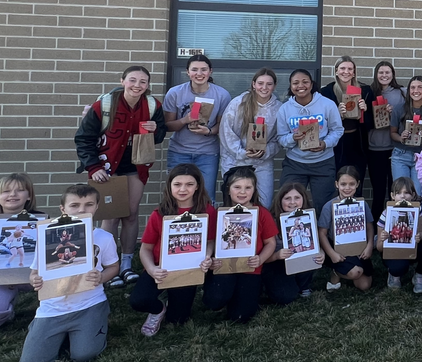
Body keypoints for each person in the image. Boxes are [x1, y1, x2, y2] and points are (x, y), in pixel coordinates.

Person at [74, 65, 167, 287]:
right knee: (111, 215)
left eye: (143, 81)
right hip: (107, 165)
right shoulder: (105, 104)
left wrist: (156, 129)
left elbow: (160, 135)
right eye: (132, 80)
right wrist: (93, 167)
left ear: (148, 85)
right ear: (122, 80)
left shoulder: (152, 105)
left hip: (136, 165)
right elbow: (84, 138)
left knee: (131, 213)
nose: (137, 85)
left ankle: (126, 264)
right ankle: (108, 265)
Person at [20, 185, 118, 362]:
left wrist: (102, 277)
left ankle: (80, 333)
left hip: (90, 304)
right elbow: (34, 272)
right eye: (74, 205)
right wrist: (34, 280)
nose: (81, 210)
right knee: (32, 359)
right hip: (52, 308)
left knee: (84, 354)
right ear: (63, 209)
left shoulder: (104, 237)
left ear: (97, 207)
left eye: (89, 204)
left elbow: (113, 267)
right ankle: (50, 333)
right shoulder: (47, 236)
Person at [131, 164, 216, 336]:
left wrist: (207, 256)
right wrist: (152, 269)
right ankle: (158, 309)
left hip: (188, 269)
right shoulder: (159, 213)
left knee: (177, 320)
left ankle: (174, 302)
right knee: (138, 301)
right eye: (177, 184)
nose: (183, 189)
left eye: (189, 184)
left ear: (197, 186)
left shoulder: (207, 211)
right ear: (170, 186)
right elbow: (145, 248)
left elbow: (210, 241)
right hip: (161, 267)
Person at [203, 167, 277, 323]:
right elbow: (212, 241)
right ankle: (224, 294)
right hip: (224, 266)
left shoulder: (262, 213)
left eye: (248, 187)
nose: (242, 192)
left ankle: (248, 294)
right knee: (214, 301)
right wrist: (212, 259)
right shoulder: (219, 213)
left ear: (254, 190)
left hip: (251, 268)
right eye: (237, 187)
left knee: (241, 317)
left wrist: (260, 259)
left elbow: (271, 242)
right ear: (228, 189)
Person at [162, 54, 232, 203]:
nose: (199, 74)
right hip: (179, 152)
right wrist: (185, 120)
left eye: (203, 69)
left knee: (206, 198)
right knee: (176, 198)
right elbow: (167, 126)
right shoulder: (175, 93)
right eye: (194, 69)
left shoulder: (222, 95)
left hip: (208, 153)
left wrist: (209, 131)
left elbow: (222, 126)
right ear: (187, 72)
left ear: (210, 71)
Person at [276, 69, 344, 216]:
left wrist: (325, 143)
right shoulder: (285, 109)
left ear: (312, 84)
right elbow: (281, 138)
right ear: (290, 86)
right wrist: (292, 138)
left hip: (323, 163)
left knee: (324, 205)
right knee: (289, 203)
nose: (301, 86)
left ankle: (322, 231)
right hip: (295, 163)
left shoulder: (327, 104)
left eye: (305, 82)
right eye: (296, 83)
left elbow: (337, 130)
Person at [219, 68, 281, 208]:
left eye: (269, 84)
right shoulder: (238, 103)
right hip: (235, 161)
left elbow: (278, 138)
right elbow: (226, 131)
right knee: (236, 204)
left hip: (262, 163)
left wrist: (266, 152)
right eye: (260, 83)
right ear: (253, 84)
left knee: (263, 204)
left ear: (274, 86)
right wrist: (242, 152)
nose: (264, 88)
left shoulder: (278, 108)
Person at [0, 173, 40, 330]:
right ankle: (7, 309)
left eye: (20, 190)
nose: (12, 194)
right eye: (6, 191)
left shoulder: (41, 220)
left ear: (29, 196)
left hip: (34, 276)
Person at [318, 56, 375, 190]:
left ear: (354, 72)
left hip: (358, 142)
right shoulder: (326, 92)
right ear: (336, 71)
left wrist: (365, 111)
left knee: (357, 180)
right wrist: (336, 114)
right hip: (336, 143)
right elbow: (321, 122)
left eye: (350, 69)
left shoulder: (365, 91)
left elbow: (371, 124)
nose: (346, 72)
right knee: (338, 181)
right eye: (342, 68)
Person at [263, 182, 324, 305]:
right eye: (287, 198)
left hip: (299, 255)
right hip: (275, 262)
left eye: (297, 198)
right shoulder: (270, 219)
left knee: (308, 252)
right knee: (284, 297)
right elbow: (262, 255)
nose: (292, 202)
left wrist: (321, 252)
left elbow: (315, 242)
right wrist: (277, 255)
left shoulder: (308, 217)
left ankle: (304, 285)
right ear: (280, 200)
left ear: (303, 199)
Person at [317, 166, 375, 292]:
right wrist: (332, 254)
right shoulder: (329, 206)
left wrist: (370, 246)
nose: (347, 188)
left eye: (351, 184)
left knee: (365, 285)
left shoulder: (362, 204)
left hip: (359, 247)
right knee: (355, 272)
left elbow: (369, 226)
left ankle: (349, 269)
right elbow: (322, 233)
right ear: (336, 184)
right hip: (337, 249)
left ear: (357, 184)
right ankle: (336, 272)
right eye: (343, 184)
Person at [377, 177, 422, 294]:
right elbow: (379, 247)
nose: (403, 196)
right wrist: (383, 239)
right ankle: (394, 274)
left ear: (413, 195)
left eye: (406, 192)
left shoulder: (417, 210)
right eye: (398, 193)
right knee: (398, 268)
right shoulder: (386, 213)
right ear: (392, 196)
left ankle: (419, 274)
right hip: (394, 251)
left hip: (411, 246)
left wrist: (419, 236)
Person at [368, 61, 405, 219]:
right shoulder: (369, 92)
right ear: (376, 74)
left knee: (395, 190)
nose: (384, 75)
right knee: (378, 191)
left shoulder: (402, 92)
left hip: (396, 148)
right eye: (381, 72)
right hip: (375, 148)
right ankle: (377, 227)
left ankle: (395, 224)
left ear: (393, 74)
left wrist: (393, 114)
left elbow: (407, 117)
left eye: (387, 72)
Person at [391, 76, 422, 190]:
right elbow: (392, 133)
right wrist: (401, 137)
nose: (416, 90)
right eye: (412, 88)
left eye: (419, 87)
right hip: (401, 155)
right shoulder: (399, 109)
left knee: (417, 194)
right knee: (401, 193)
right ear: (408, 91)